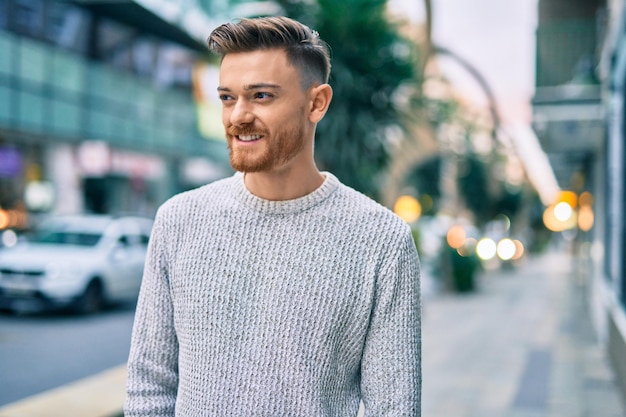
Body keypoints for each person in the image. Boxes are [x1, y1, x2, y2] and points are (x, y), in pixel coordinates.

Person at [124, 16, 421, 417]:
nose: (237, 116)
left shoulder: (381, 239)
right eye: (227, 97)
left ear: (316, 103)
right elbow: (149, 386)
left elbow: (395, 409)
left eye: (261, 96)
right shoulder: (179, 220)